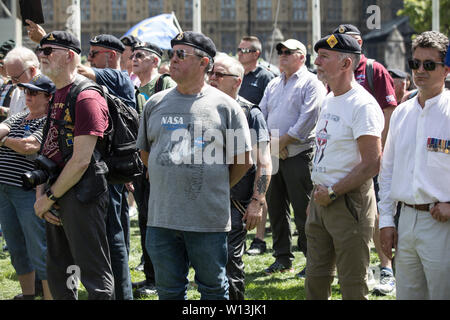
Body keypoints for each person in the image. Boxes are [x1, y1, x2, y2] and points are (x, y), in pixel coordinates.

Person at [136, 31, 252, 300]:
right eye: (171, 53)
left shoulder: (227, 107)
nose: (172, 59)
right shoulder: (155, 103)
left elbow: (243, 160)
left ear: (204, 63)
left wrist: (214, 185)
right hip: (162, 219)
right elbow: (145, 152)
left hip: (207, 221)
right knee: (168, 291)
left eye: (181, 54)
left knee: (212, 289)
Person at [33, 30, 114, 300]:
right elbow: (48, 147)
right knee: (60, 272)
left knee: (93, 275)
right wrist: (41, 195)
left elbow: (81, 160)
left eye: (47, 52)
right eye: (39, 51)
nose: (40, 57)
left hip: (82, 194)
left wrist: (49, 197)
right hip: (57, 193)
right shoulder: (57, 93)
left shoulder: (86, 96)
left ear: (69, 56)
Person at [306, 33, 384, 300]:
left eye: (324, 57)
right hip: (320, 198)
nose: (316, 61)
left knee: (352, 284)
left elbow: (372, 163)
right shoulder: (329, 99)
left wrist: (333, 192)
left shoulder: (362, 105)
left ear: (346, 64)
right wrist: (316, 195)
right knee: (316, 279)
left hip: (347, 201)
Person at [378, 31, 450, 300]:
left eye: (429, 65)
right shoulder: (401, 113)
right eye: (415, 63)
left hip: (442, 223)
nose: (420, 70)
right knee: (407, 295)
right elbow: (387, 172)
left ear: (446, 70)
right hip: (405, 220)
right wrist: (386, 221)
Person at [333, 24, 397, 295]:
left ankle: (386, 269)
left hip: (371, 156)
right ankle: (350, 269)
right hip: (345, 160)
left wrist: (375, 149)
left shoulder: (374, 70)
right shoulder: (336, 73)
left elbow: (388, 110)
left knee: (377, 212)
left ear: (359, 43)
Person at [259, 39, 326, 277]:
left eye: (288, 52)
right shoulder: (274, 84)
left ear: (302, 56)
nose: (282, 55)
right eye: (280, 52)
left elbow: (308, 119)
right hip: (275, 155)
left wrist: (279, 144)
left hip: (299, 154)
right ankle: (282, 257)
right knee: (276, 208)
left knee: (304, 210)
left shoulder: (312, 83)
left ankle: (313, 260)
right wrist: (273, 146)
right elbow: (261, 115)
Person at [208, 52, 272, 300]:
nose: (212, 78)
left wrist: (257, 201)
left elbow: (264, 162)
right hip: (202, 199)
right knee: (205, 264)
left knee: (230, 264)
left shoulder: (249, 113)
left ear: (237, 81)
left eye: (219, 74)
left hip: (234, 203)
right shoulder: (199, 106)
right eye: (211, 73)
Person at [77, 34, 135, 300]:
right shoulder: (110, 78)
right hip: (106, 167)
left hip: (111, 168)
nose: (89, 58)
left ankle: (122, 294)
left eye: (94, 52)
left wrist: (46, 40)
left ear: (111, 56)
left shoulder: (118, 77)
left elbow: (77, 69)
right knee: (109, 232)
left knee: (113, 236)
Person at [0, 74, 55, 300]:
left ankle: (50, 296)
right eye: (26, 92)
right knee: (15, 247)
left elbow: (29, 146)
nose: (27, 96)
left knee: (39, 248)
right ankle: (28, 295)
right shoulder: (20, 116)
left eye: (33, 93)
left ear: (49, 98)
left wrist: (4, 141)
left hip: (28, 193)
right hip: (5, 190)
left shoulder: (48, 121)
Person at [130, 41, 176, 297]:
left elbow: (171, 125)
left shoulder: (164, 84)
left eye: (140, 55)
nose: (133, 59)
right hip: (140, 164)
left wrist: (157, 162)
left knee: (159, 223)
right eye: (132, 55)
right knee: (146, 220)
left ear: (155, 61)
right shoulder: (137, 88)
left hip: (158, 165)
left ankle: (161, 279)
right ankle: (150, 276)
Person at [237, 36, 275, 256]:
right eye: (239, 49)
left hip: (258, 137)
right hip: (235, 138)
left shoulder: (265, 77)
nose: (240, 53)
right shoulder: (236, 73)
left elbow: (268, 108)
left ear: (256, 53)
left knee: (261, 188)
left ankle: (259, 239)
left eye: (245, 50)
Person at [3, 47, 41, 117]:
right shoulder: (17, 92)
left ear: (32, 70)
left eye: (16, 78)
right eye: (10, 77)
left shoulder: (47, 93)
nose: (13, 83)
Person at [0, 40, 16, 121]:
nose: (0, 68)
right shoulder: (5, 83)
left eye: (2, 64)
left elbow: (21, 112)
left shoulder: (20, 85)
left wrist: (2, 111)